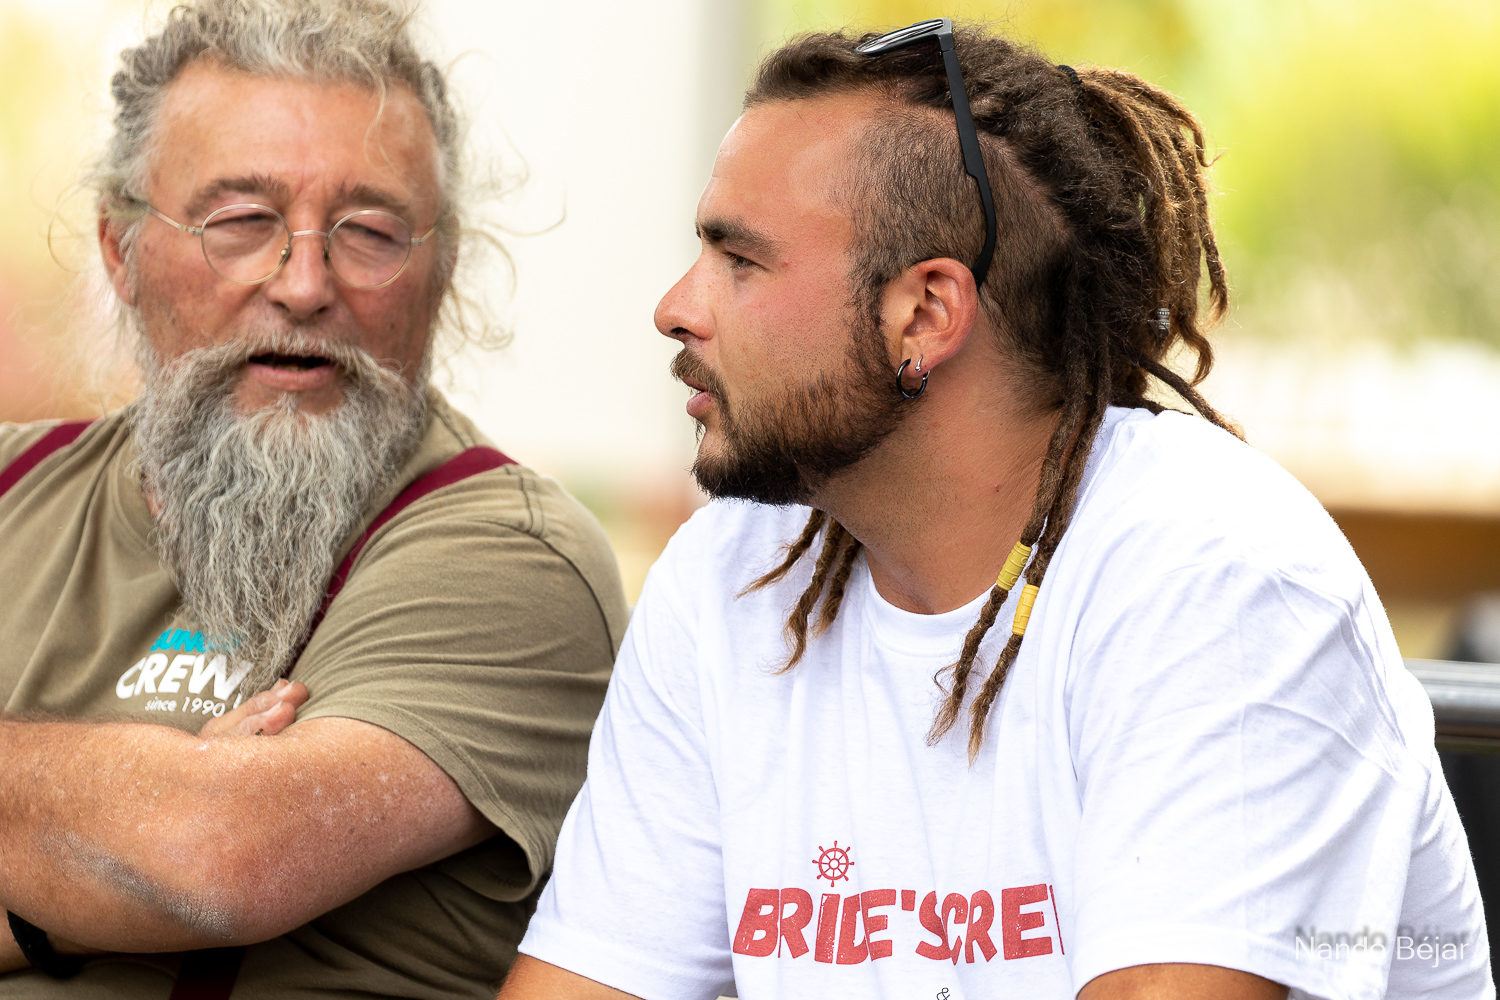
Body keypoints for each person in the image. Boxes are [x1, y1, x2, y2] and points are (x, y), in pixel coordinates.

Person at [499, 19, 1491, 1000]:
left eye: (740, 261)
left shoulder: (1220, 579)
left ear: (925, 315)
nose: (676, 307)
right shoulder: (733, 569)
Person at [0, 0, 626, 996]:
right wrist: (101, 850)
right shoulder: (13, 488)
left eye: (369, 232)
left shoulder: (510, 554)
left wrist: (158, 829)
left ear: (442, 268)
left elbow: (211, 854)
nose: (302, 284)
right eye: (241, 222)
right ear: (120, 248)